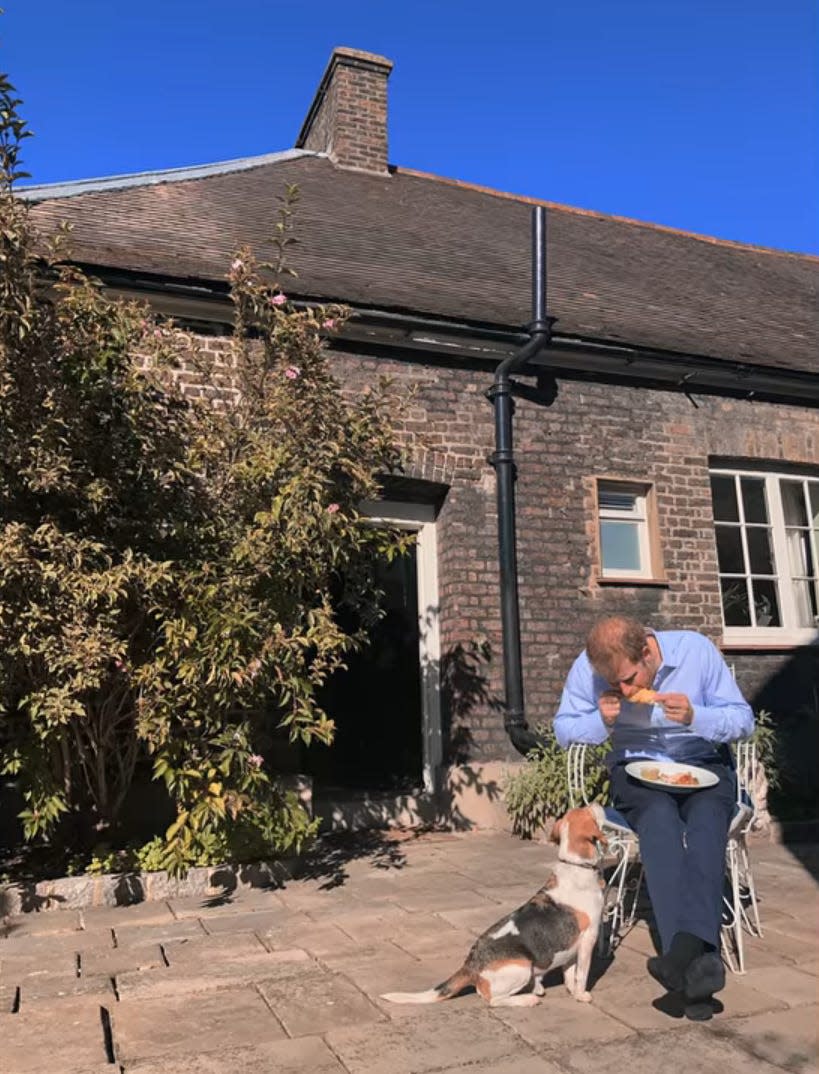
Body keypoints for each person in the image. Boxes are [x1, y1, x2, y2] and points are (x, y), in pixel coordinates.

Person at [553, 616, 754, 1020]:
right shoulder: (588, 667)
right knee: (659, 821)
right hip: (637, 770)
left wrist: (697, 716)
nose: (625, 691)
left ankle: (682, 956)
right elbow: (563, 728)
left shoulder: (695, 651)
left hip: (703, 764)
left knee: (706, 824)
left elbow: (742, 721)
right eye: (614, 684)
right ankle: (698, 962)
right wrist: (602, 720)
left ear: (647, 651)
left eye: (629, 679)